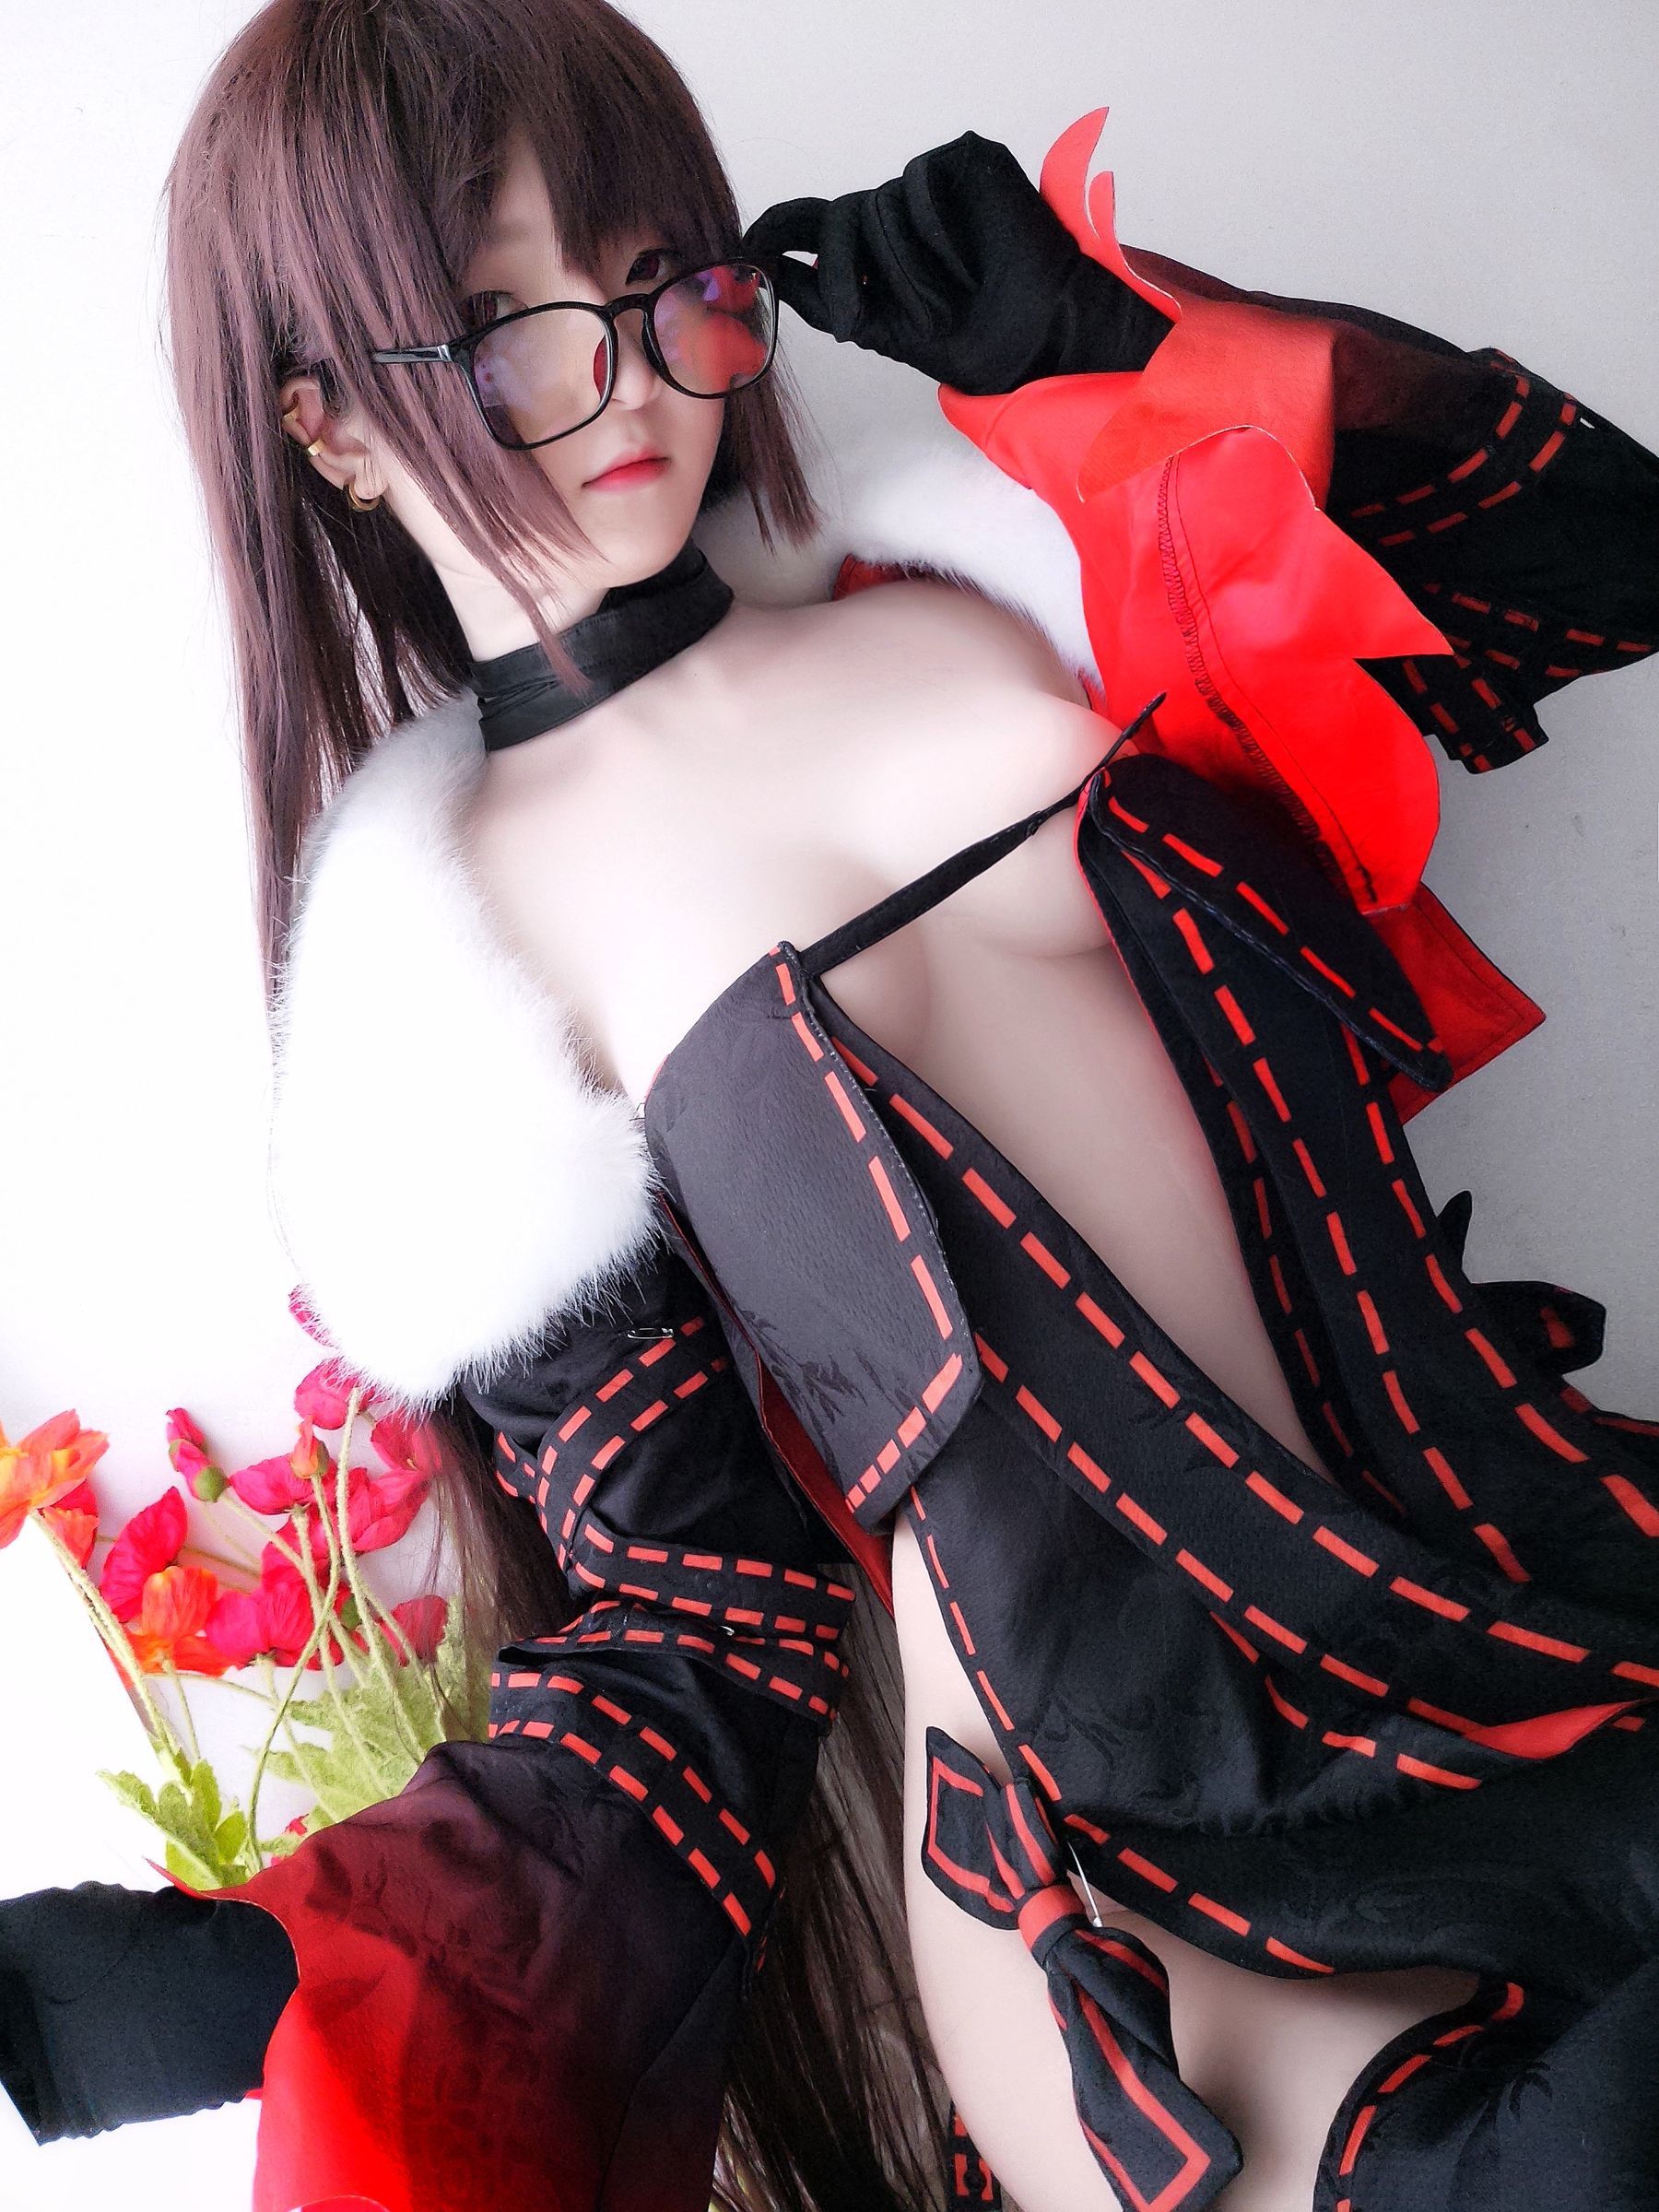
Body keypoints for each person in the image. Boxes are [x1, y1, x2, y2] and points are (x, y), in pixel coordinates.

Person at [5, 2, 1658, 2208]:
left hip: (1538, 1583)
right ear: (328, 424)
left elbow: (1602, 569)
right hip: (1150, 1877)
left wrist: (1127, 345)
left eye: (654, 276)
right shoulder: (457, 1007)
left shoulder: (1010, 576)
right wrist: (265, 1969)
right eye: (502, 329)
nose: (626, 381)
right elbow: (702, 1625)